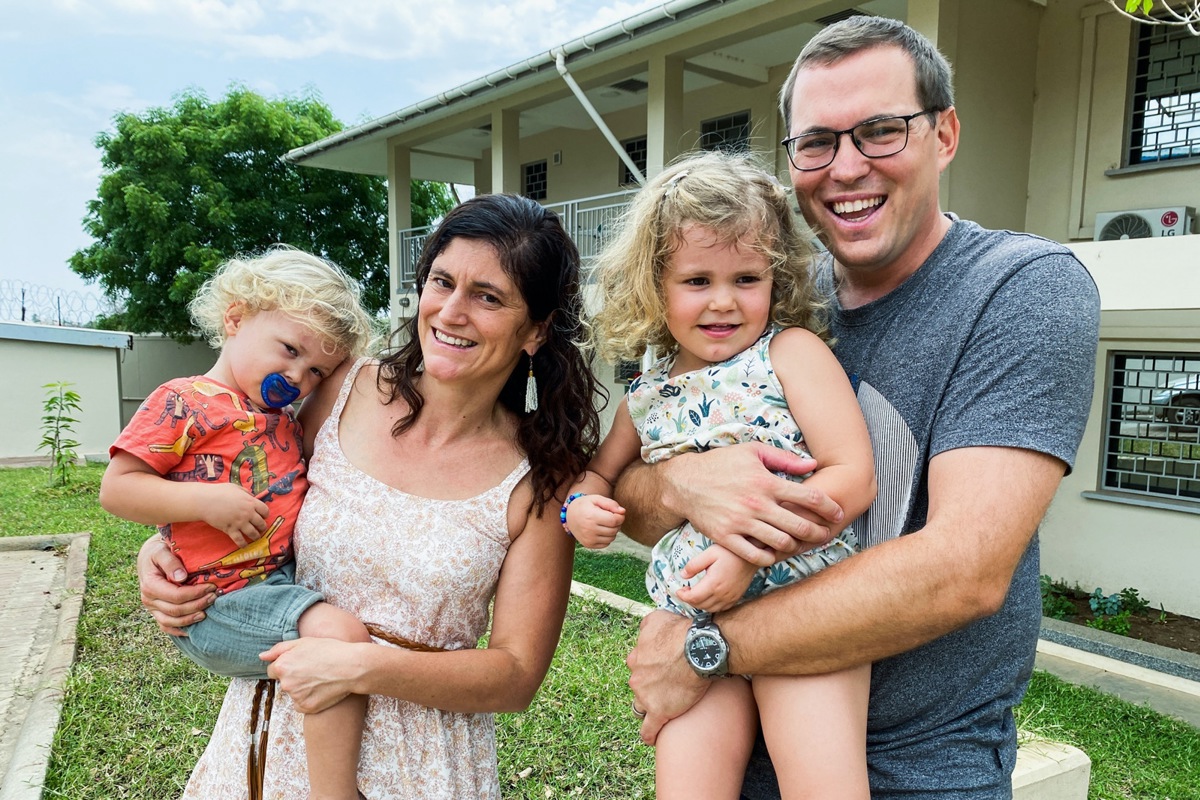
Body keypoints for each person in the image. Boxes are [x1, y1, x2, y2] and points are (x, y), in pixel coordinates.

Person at [621, 16, 1101, 799]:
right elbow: (638, 497)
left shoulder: (1021, 289)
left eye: (880, 131)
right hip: (737, 750)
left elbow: (963, 572)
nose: (845, 167)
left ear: (944, 134)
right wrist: (682, 486)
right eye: (816, 143)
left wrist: (706, 648)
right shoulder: (757, 298)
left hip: (919, 770)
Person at [135, 194, 602, 799]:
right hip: (275, 735)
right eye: (442, 282)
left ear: (535, 330)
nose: (451, 312)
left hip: (420, 763)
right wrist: (160, 552)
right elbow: (245, 487)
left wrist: (358, 665)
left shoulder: (541, 480)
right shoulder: (338, 389)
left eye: (488, 297)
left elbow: (515, 677)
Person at [565, 151, 876, 799]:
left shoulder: (790, 354)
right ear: (655, 284)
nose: (724, 302)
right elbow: (596, 477)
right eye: (697, 280)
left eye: (746, 278)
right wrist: (581, 512)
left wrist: (744, 554)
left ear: (776, 277)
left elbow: (853, 477)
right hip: (691, 629)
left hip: (803, 612)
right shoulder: (646, 393)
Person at [101, 247, 376, 800]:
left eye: (315, 370)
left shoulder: (280, 418)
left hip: (271, 584)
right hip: (222, 600)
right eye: (290, 350)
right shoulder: (182, 401)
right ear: (235, 318)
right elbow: (118, 488)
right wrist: (207, 503)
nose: (297, 376)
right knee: (341, 638)